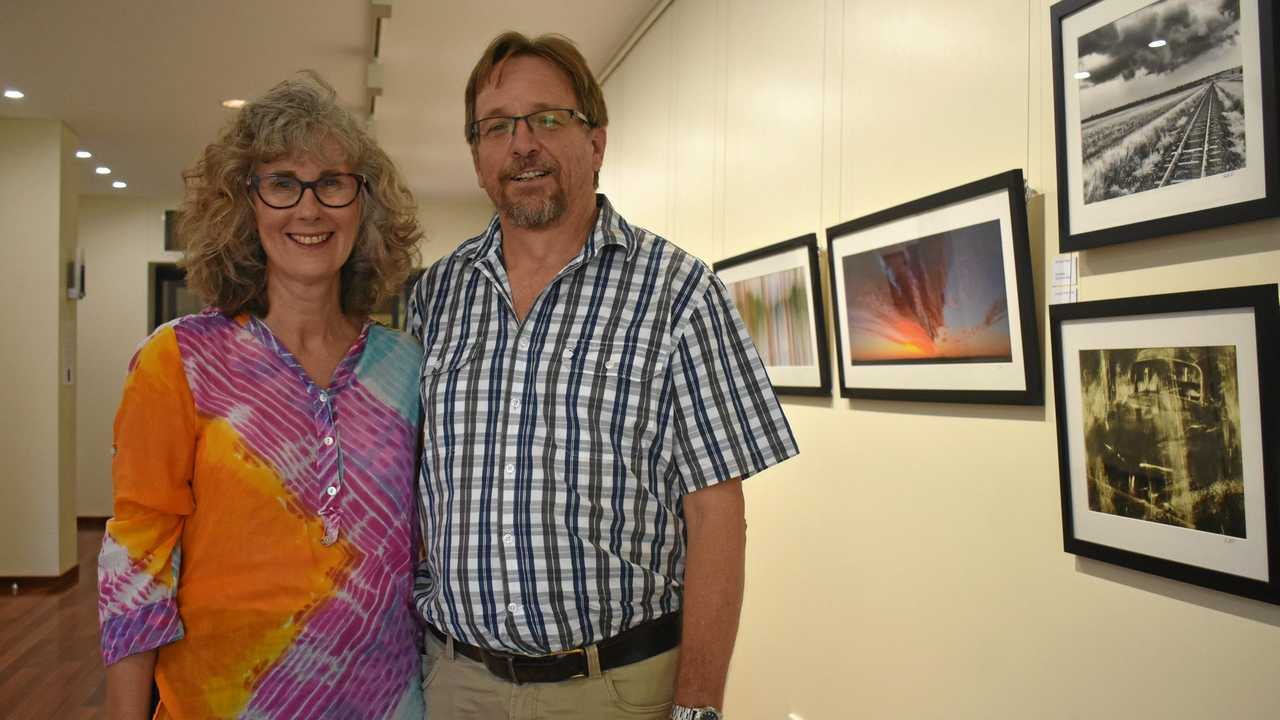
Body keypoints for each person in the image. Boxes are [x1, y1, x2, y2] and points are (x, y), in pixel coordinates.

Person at [407, 32, 797, 720]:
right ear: (477, 158)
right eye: (497, 127)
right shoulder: (432, 298)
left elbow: (717, 516)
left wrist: (698, 706)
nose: (522, 143)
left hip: (617, 691)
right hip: (455, 685)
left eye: (548, 119)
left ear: (596, 141)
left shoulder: (680, 292)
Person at [98, 74, 426, 720]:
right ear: (245, 205)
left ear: (365, 205)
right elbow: (137, 566)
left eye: (333, 182)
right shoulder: (178, 361)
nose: (309, 209)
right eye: (281, 183)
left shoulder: (408, 369)